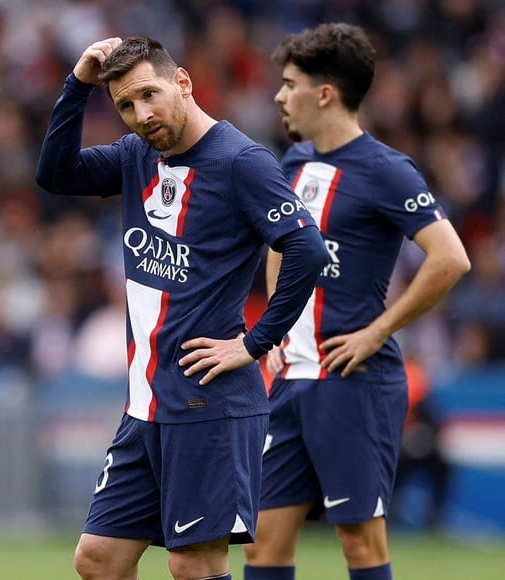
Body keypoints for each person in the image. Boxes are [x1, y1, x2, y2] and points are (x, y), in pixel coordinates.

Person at [36, 36, 329, 580]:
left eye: (149, 94)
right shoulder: (136, 155)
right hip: (146, 404)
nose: (141, 114)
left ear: (183, 82)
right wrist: (77, 86)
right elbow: (55, 175)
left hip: (209, 405)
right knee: (98, 559)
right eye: (125, 105)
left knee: (193, 563)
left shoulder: (240, 162)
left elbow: (307, 249)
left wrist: (254, 343)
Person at [242, 23, 471, 580]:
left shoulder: (386, 170)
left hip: (354, 379)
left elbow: (451, 258)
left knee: (360, 545)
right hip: (291, 377)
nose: (278, 95)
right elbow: (281, 244)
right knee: (260, 546)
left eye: (289, 83)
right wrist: (277, 323)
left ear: (325, 93)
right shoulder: (293, 161)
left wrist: (377, 331)